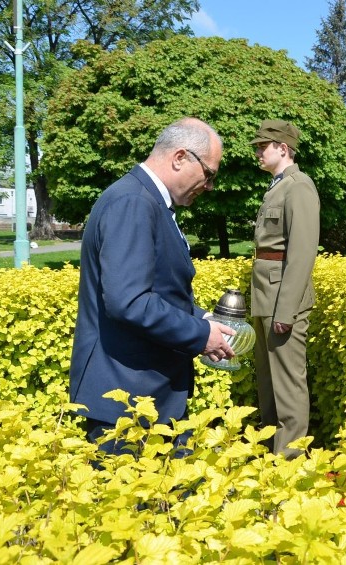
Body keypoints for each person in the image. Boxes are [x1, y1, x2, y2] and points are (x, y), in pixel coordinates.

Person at [70, 117, 236, 456]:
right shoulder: (132, 202)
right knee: (139, 508)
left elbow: (156, 291)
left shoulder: (145, 200)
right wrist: (199, 335)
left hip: (146, 394)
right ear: (180, 158)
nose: (209, 186)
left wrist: (201, 318)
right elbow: (129, 301)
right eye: (209, 174)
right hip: (126, 401)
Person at [249, 119, 320, 457]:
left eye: (263, 146)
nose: (258, 152)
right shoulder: (277, 187)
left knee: (288, 386)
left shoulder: (299, 186)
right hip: (267, 298)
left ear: (283, 148)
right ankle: (270, 454)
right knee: (268, 383)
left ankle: (290, 462)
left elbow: (303, 251)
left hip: (282, 301)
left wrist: (287, 308)